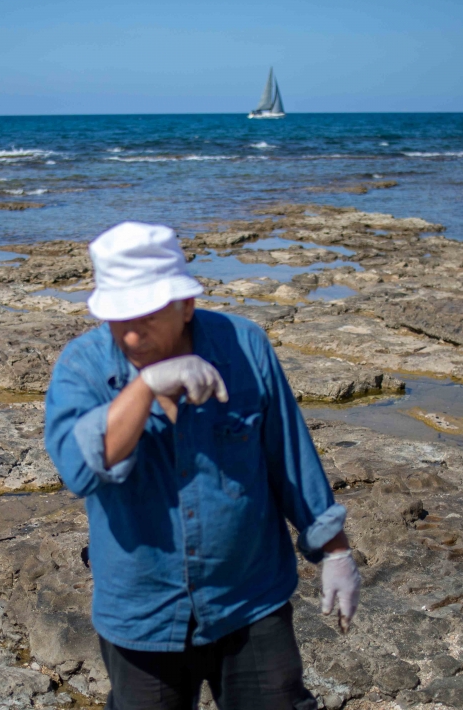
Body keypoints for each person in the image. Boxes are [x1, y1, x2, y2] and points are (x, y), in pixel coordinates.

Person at [44, 222, 361, 710]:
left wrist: (335, 551)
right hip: (143, 611)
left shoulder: (245, 345)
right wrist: (146, 386)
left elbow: (289, 455)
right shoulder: (82, 367)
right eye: (118, 318)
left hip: (250, 598)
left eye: (146, 316)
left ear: (186, 303)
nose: (130, 333)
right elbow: (82, 469)